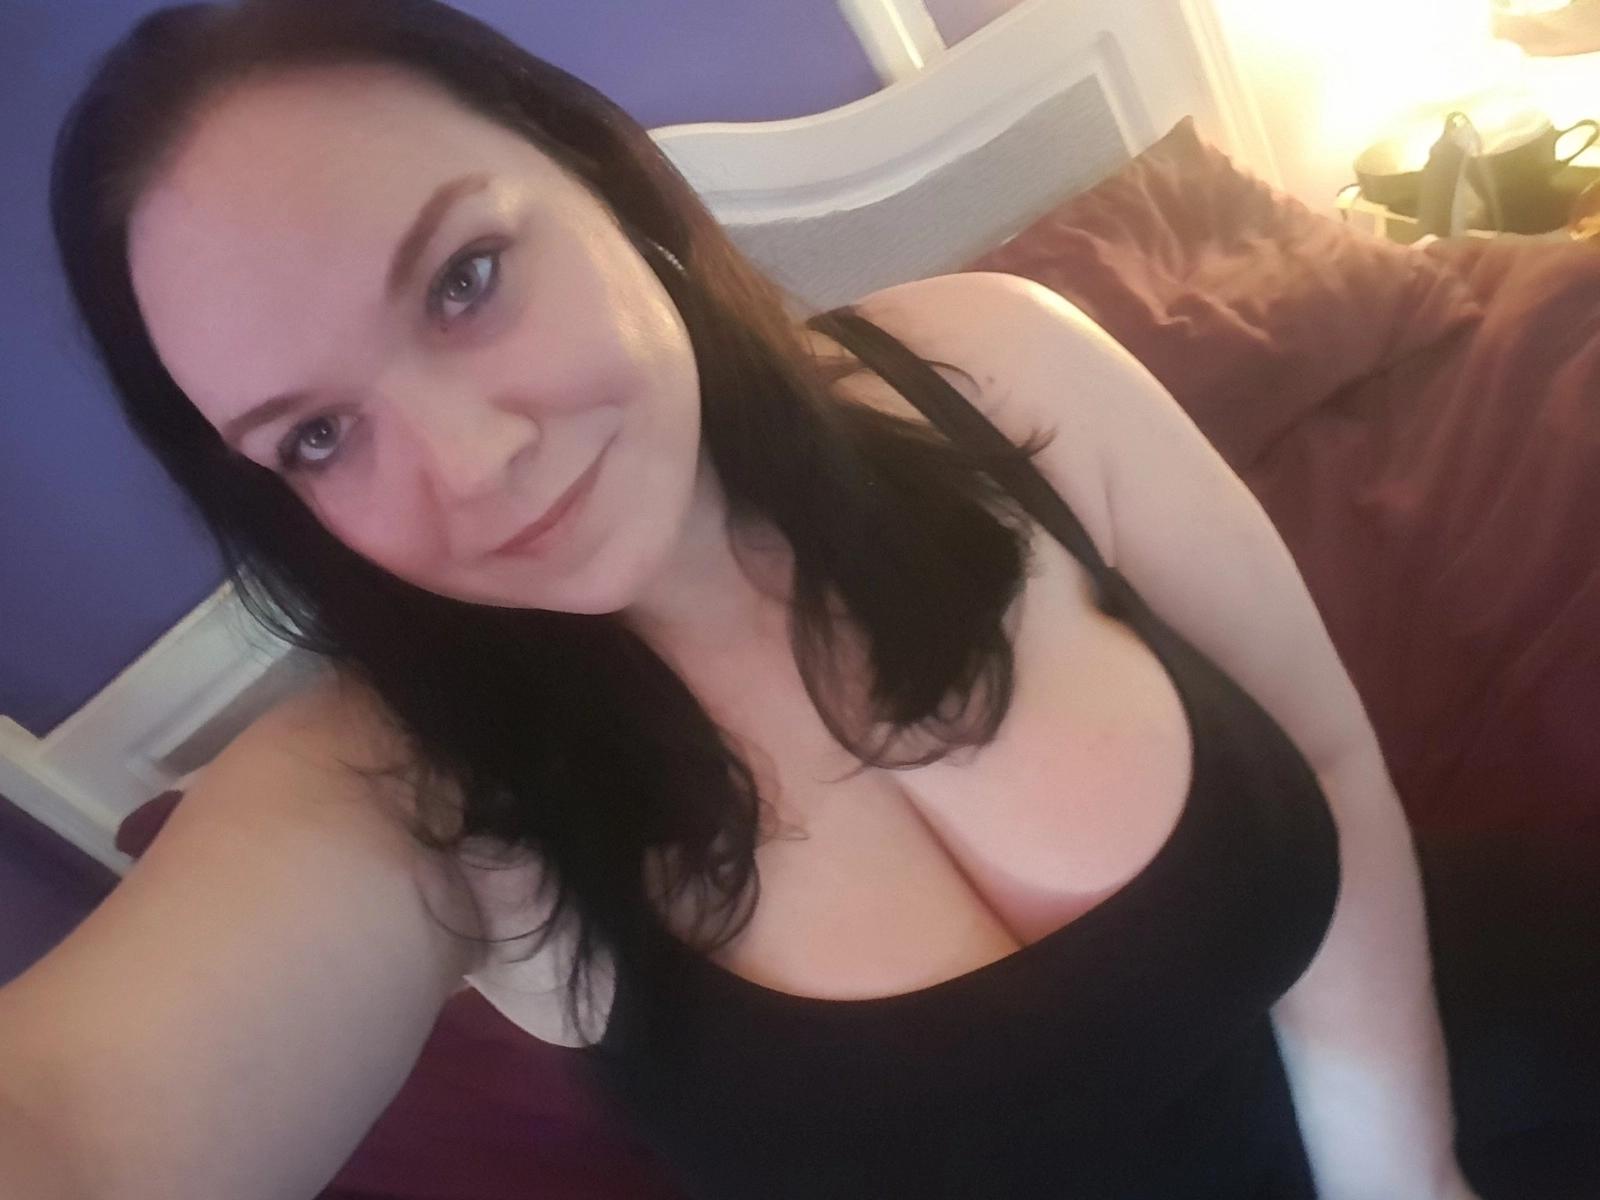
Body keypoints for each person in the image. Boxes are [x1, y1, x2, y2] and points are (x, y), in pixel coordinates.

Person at [3, 1, 1591, 1197]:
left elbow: (1321, 752)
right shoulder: (405, 794)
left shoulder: (1002, 371)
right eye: (317, 437)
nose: (473, 467)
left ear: (601, 182)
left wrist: (1408, 1174)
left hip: (1443, 1082)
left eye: (466, 278)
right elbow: (69, 1124)